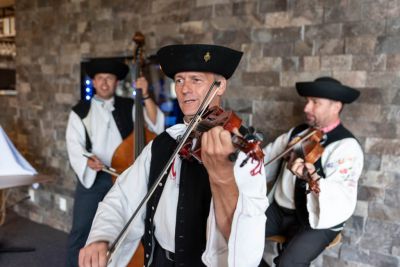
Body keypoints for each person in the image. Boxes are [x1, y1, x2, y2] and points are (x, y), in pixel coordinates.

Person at [78, 44, 269, 267]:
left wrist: (222, 177)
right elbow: (121, 197)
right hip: (159, 260)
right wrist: (102, 238)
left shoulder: (240, 153)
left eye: (195, 80)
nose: (185, 88)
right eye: (179, 80)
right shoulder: (165, 142)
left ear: (220, 86)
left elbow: (245, 247)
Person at [66, 58, 165, 267]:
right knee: (82, 230)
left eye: (109, 78)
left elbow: (155, 125)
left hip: (125, 176)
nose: (104, 83)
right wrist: (88, 161)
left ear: (116, 82)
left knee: (127, 230)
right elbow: (74, 146)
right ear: (93, 82)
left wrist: (145, 94)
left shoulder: (130, 105)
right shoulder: (79, 111)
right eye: (100, 78)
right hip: (96, 177)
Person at [260, 77, 364, 266]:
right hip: (280, 210)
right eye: (308, 101)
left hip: (317, 218)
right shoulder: (297, 133)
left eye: (315, 102)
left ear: (336, 106)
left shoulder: (345, 146)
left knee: (289, 263)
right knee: (236, 239)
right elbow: (264, 161)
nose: (307, 108)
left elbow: (339, 194)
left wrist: (313, 178)